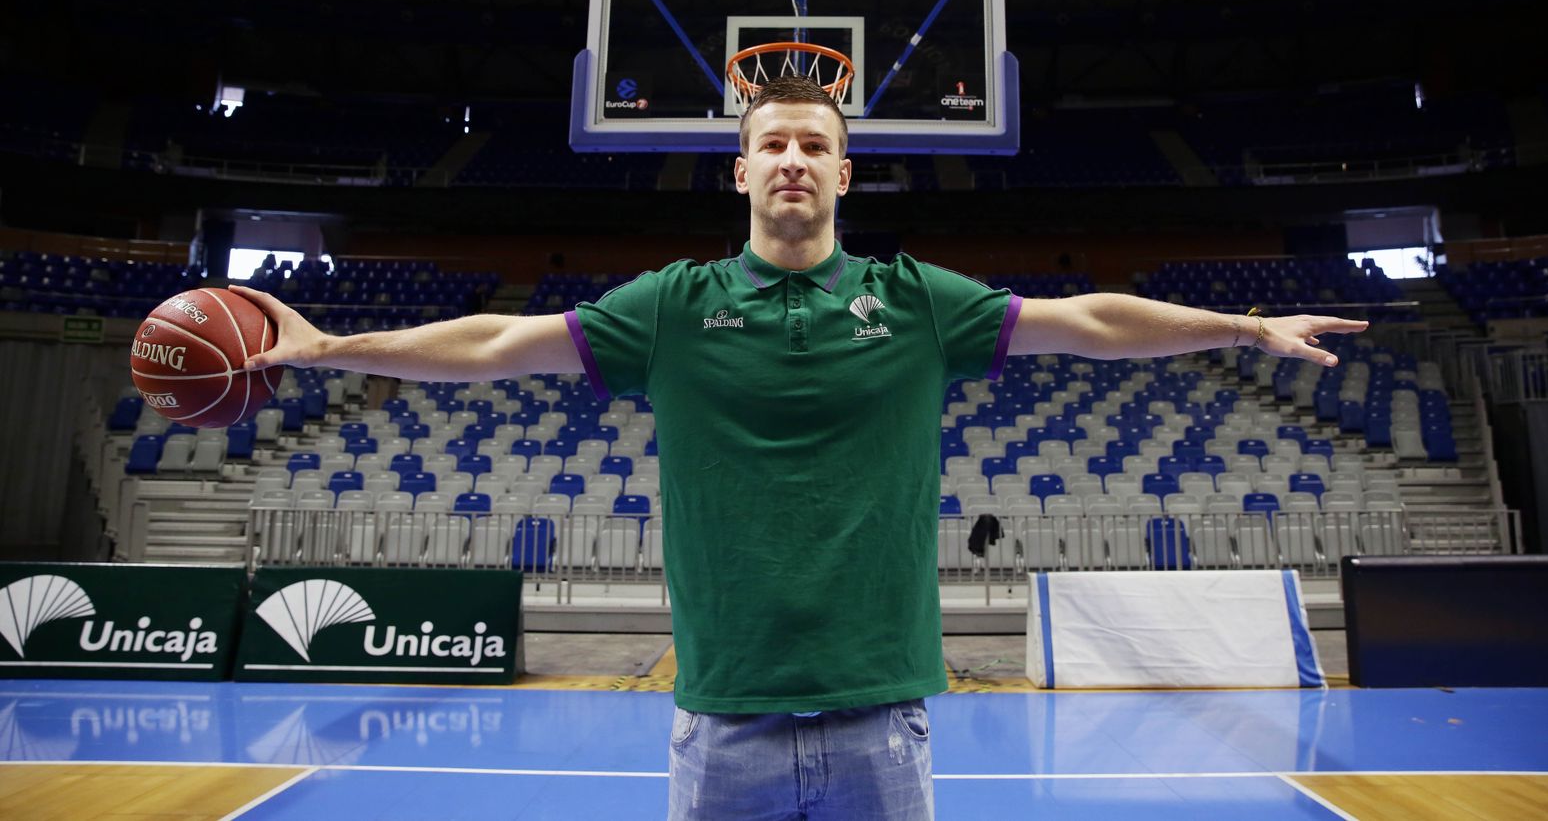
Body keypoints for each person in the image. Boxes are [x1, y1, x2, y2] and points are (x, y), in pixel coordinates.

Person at [235, 74, 1367, 820]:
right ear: (739, 171)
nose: (789, 158)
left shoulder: (916, 300)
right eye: (769, 142)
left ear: (842, 173)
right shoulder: (670, 307)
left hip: (883, 719)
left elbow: (1090, 321)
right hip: (722, 717)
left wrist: (1241, 325)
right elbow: (495, 343)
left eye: (811, 145)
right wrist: (334, 346)